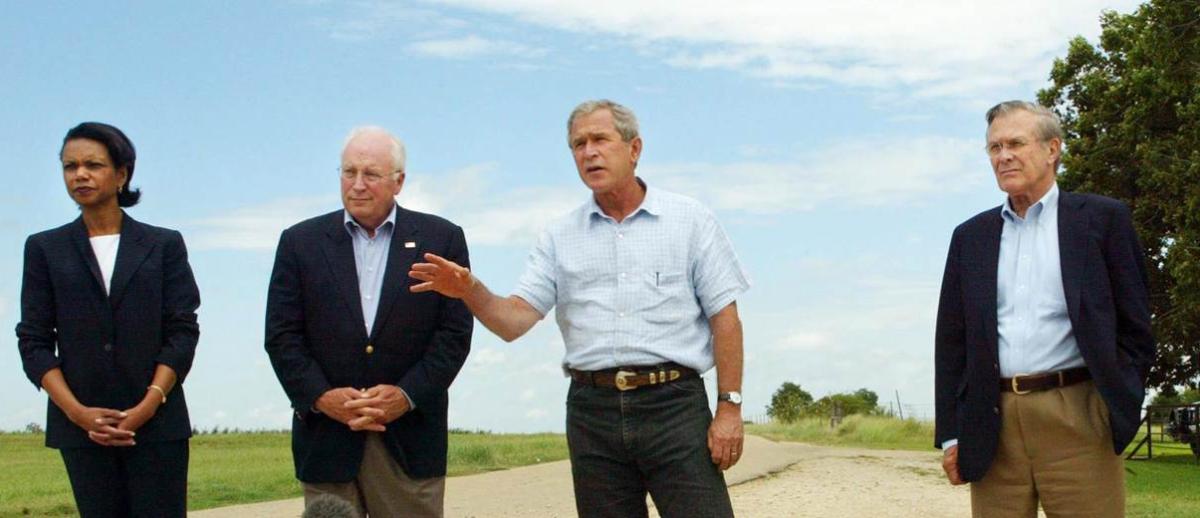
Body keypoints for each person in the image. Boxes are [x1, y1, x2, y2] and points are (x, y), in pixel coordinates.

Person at [409, 99, 749, 517]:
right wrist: (469, 290)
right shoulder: (559, 236)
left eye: (600, 140)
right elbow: (514, 321)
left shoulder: (690, 220)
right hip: (593, 413)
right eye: (578, 144)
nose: (589, 152)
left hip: (674, 406)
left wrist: (729, 407)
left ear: (634, 148)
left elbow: (726, 319)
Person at [934, 100, 1155, 517]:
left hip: (1078, 415)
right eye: (994, 147)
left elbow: (1136, 326)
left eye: (1016, 143)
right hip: (992, 424)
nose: (1004, 156)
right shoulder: (970, 237)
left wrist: (1116, 404)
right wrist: (951, 434)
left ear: (1053, 149)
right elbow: (951, 344)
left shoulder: (1103, 220)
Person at [265, 126, 472, 517]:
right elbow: (281, 335)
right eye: (348, 172)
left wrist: (405, 395)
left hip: (408, 443)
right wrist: (323, 398)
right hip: (327, 440)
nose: (357, 185)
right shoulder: (300, 243)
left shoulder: (440, 240)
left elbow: (453, 336)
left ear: (399, 181)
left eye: (371, 174)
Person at [16, 122, 201, 517]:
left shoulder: (163, 244)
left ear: (121, 174)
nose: (79, 174)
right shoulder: (45, 249)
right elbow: (33, 341)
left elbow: (182, 331)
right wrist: (77, 412)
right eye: (70, 166)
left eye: (93, 165)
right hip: (82, 431)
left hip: (157, 426)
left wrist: (149, 404)